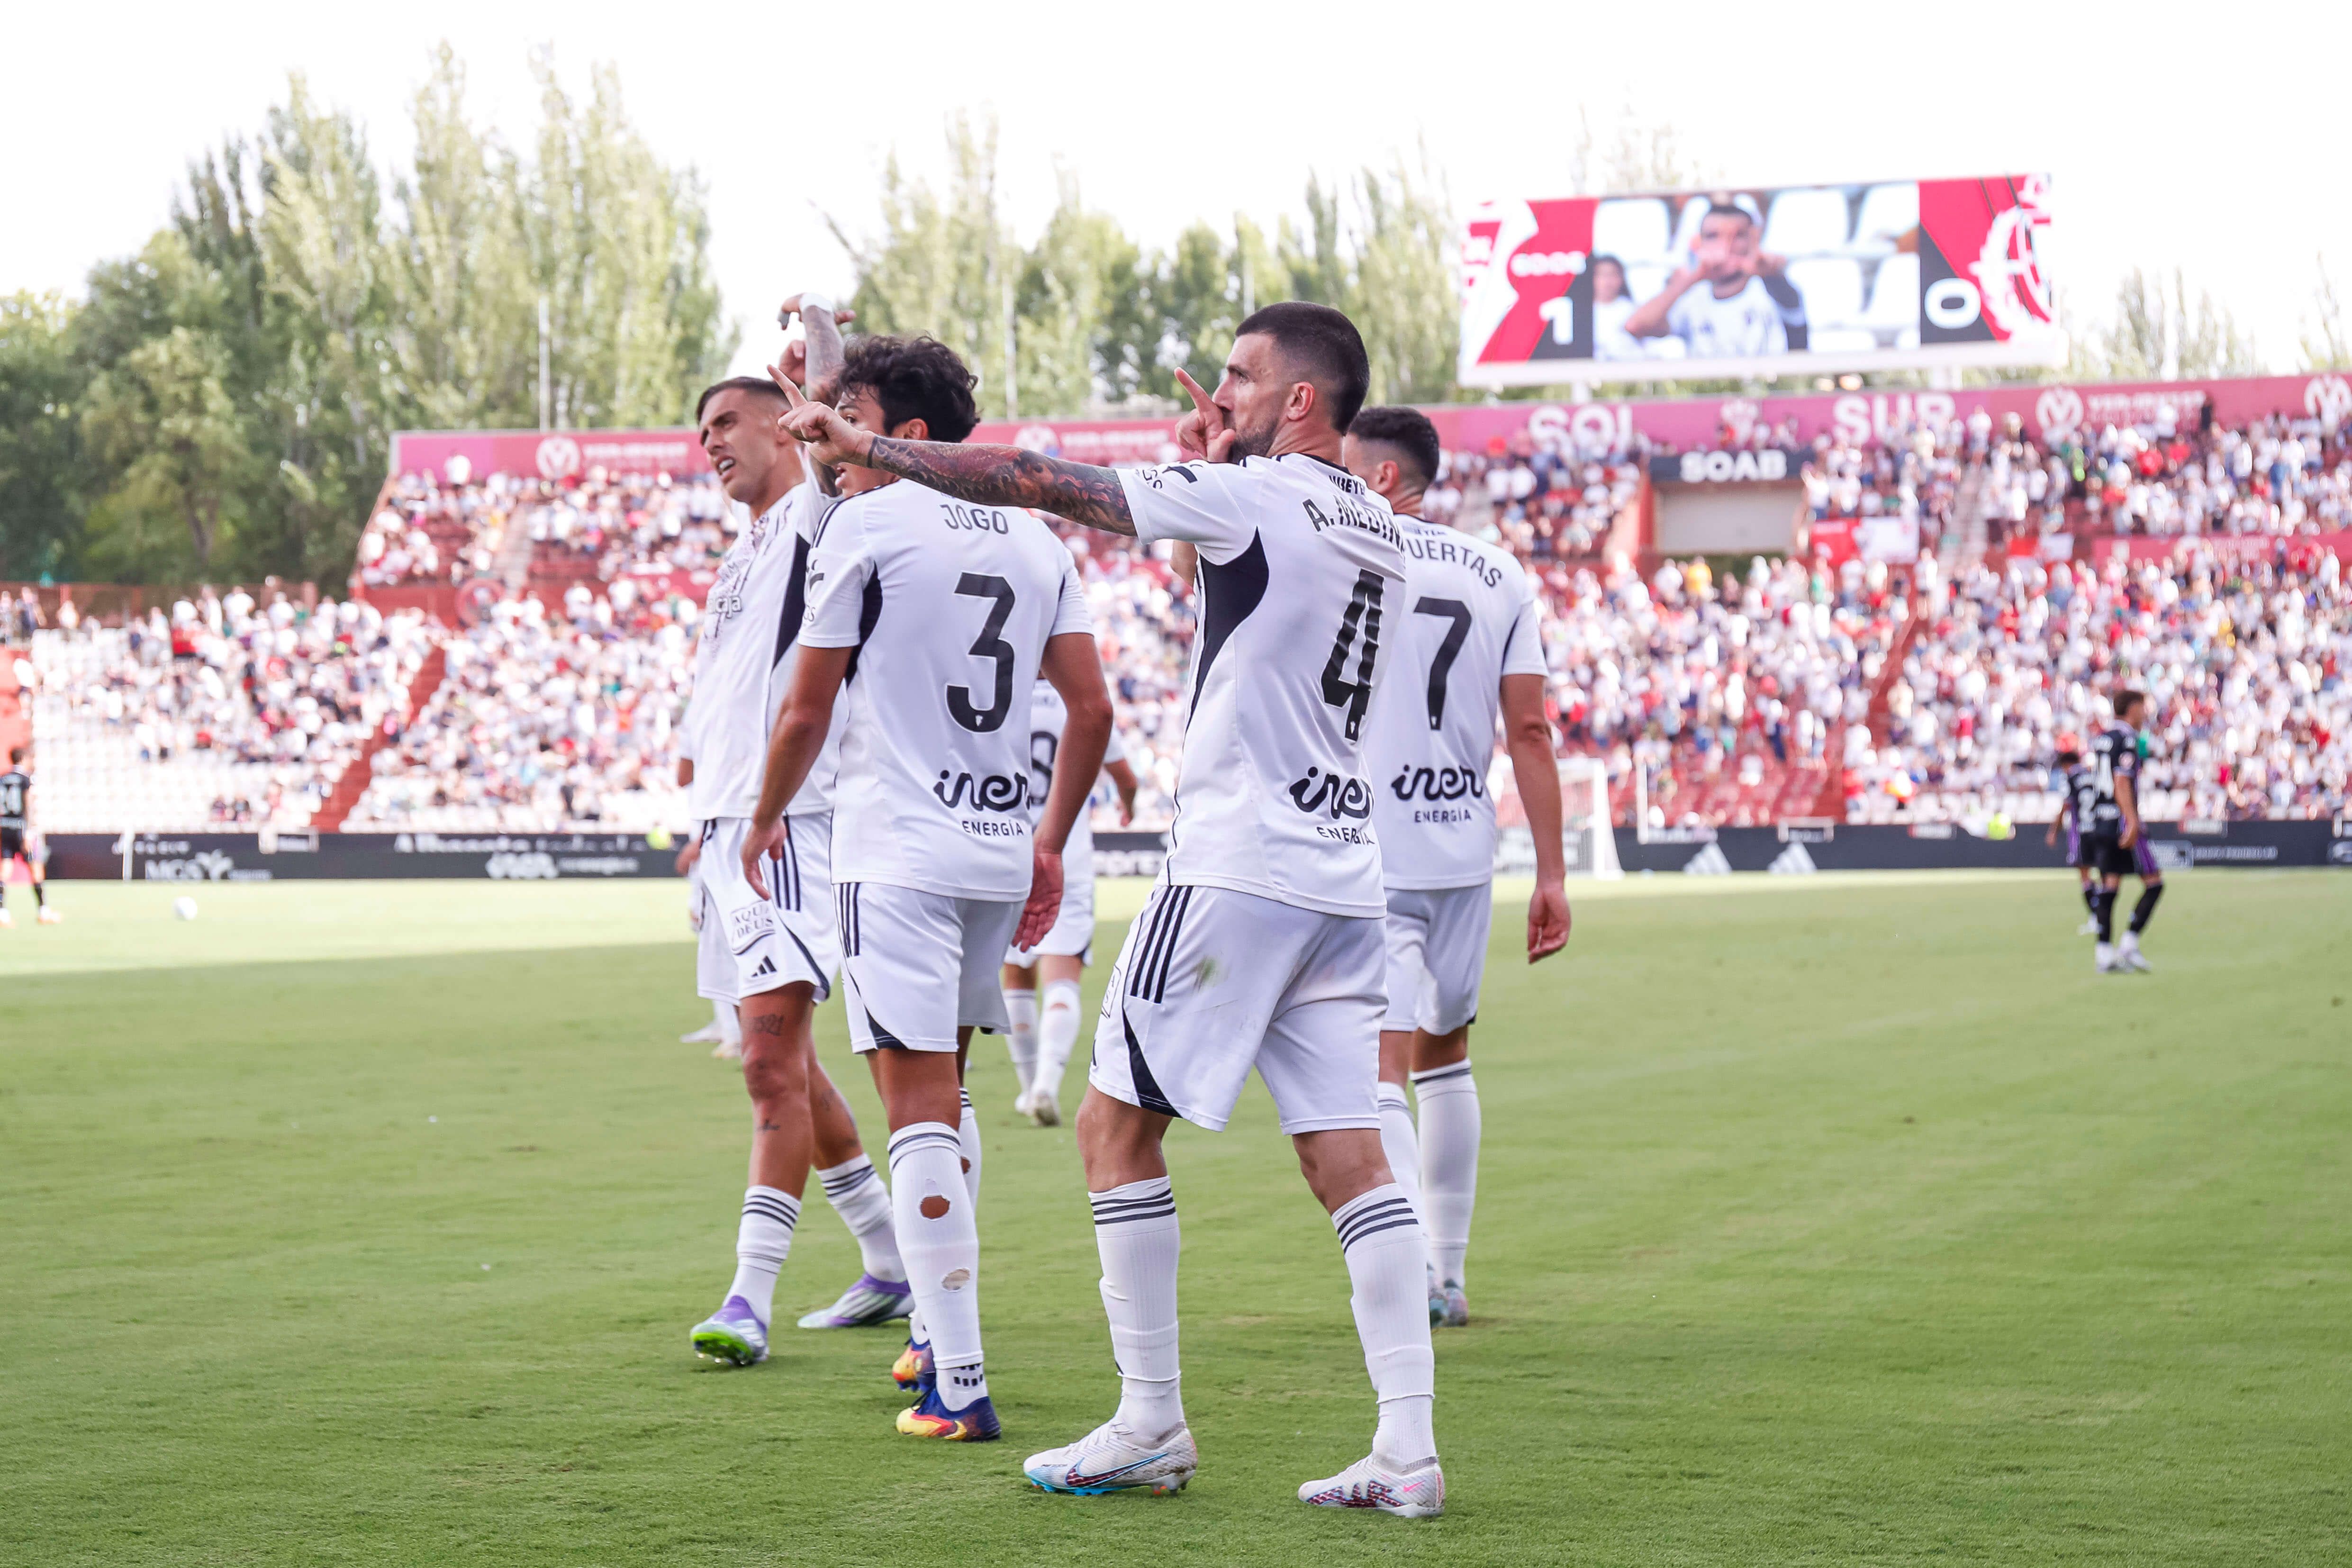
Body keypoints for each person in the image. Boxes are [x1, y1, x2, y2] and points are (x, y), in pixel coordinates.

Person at [778, 300, 1446, 1516]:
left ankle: (1150, 1418)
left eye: (1243, 375)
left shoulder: (1255, 495)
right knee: (1351, 1156)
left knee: (1110, 1130)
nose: (1224, 389)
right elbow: (1252, 591)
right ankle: (1407, 1448)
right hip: (1346, 878)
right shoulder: (1381, 525)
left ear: (1303, 399)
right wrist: (1213, 456)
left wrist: (874, 450)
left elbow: (1040, 478)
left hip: (1237, 869)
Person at [748, 332, 1111, 1443]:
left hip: (897, 850)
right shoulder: (1038, 537)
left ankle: (958, 1374)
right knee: (946, 1091)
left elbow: (806, 709)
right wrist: (1051, 841)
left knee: (915, 1104)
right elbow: (1091, 710)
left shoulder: (868, 521)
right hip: (1001, 848)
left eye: (848, 417)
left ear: (905, 434)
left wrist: (762, 818)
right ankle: (934, 1344)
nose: (832, 442)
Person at [680, 295, 911, 1372]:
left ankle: (747, 1296)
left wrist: (819, 348)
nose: (709, 445)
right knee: (792, 1066)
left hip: (794, 828)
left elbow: (829, 424)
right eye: (699, 435)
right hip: (731, 829)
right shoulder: (736, 560)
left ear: (783, 424)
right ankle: (891, 1254)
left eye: (725, 423)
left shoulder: (818, 513)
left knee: (770, 1060)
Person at [1344, 406, 1571, 1331]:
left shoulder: (1348, 552)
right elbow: (1528, 730)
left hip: (1370, 844)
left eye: (1348, 466)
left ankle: (1404, 1272)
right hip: (1462, 846)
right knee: (1447, 1054)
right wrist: (1550, 873)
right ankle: (1449, 1270)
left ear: (1388, 479)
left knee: (1381, 1064)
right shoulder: (1501, 572)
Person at [1001, 683, 1139, 1127]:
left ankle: (1027, 1091)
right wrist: (1128, 807)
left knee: (1016, 974)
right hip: (1065, 853)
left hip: (1005, 848)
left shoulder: (1002, 689)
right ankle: (1045, 1085)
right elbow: (1125, 776)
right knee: (1062, 978)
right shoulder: (1074, 697)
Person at [1622, 199, 1799, 360]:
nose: (1725, 246)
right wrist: (1695, 276)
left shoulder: (1771, 287)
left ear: (1753, 239)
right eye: (1713, 236)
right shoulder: (1693, 298)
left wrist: (1769, 272)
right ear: (1699, 243)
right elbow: (1636, 326)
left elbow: (1791, 305)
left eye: (1737, 236)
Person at [2081, 691, 2164, 974]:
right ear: (2133, 708)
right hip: (2120, 821)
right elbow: (2121, 782)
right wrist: (2132, 821)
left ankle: (2103, 953)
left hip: (2100, 820)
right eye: (2144, 707)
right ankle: (2129, 944)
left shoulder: (2103, 739)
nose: (2146, 714)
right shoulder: (2128, 739)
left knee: (2110, 886)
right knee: (2154, 882)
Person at [2044, 737, 2100, 935]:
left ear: (2065, 765)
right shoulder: (2093, 775)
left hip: (2081, 833)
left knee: (2085, 876)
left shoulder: (2071, 777)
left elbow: (2067, 805)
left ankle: (2096, 918)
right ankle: (2102, 915)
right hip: (2100, 829)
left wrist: (2053, 831)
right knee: (2102, 874)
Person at [0, 746, 56, 926]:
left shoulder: (3, 779)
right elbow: (27, 806)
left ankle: (2, 913)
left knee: (5, 871)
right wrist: (27, 832)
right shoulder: (25, 779)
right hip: (20, 829)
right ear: (23, 758)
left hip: (5, 827)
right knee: (36, 869)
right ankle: (44, 911)